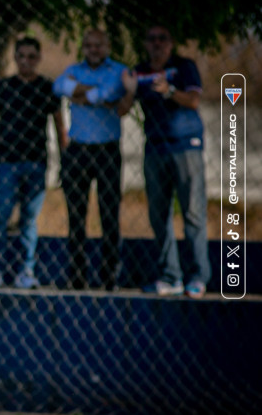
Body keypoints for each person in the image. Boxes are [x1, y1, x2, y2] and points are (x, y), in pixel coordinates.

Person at [121, 26, 210, 298]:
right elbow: (123, 109)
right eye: (152, 39)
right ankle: (170, 276)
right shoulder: (139, 72)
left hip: (186, 147)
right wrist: (130, 89)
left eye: (163, 39)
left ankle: (198, 277)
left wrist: (169, 90)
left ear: (171, 44)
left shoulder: (183, 67)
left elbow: (194, 100)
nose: (157, 44)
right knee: (159, 215)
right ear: (145, 44)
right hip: (155, 150)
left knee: (193, 213)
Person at [0, 37, 68, 289]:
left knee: (29, 219)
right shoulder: (4, 87)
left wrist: (64, 163)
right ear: (15, 58)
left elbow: (60, 126)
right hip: (7, 161)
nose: (26, 61)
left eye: (32, 57)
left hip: (37, 162)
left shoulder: (47, 87)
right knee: (0, 217)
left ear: (38, 59)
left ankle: (26, 271)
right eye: (22, 56)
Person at [53, 29, 130, 291]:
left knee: (109, 216)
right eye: (88, 45)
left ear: (107, 45)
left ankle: (109, 278)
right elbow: (59, 86)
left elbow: (114, 94)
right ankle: (77, 278)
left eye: (98, 45)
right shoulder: (73, 68)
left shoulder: (119, 71)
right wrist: (97, 94)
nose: (93, 50)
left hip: (107, 151)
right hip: (78, 151)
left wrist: (80, 91)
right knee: (76, 217)